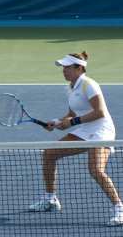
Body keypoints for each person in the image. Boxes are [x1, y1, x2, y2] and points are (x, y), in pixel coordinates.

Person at [29, 52, 123, 226]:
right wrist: (57, 122)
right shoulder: (72, 87)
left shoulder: (89, 85)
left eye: (67, 67)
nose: (64, 71)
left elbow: (99, 112)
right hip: (86, 129)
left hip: (101, 131)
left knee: (95, 170)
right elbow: (74, 112)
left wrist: (72, 122)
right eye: (63, 67)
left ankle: (119, 207)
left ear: (79, 68)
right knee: (49, 154)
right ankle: (51, 199)